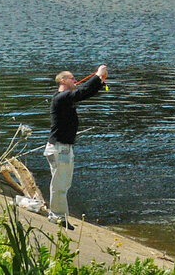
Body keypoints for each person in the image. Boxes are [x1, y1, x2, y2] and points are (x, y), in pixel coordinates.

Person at [45, 65, 108, 229]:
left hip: (61, 147)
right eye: (72, 78)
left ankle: (58, 214)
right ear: (63, 80)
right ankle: (57, 216)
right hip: (60, 148)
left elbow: (85, 93)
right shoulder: (61, 97)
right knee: (60, 184)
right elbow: (81, 93)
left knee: (62, 183)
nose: (75, 80)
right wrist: (97, 75)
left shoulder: (65, 98)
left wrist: (100, 81)